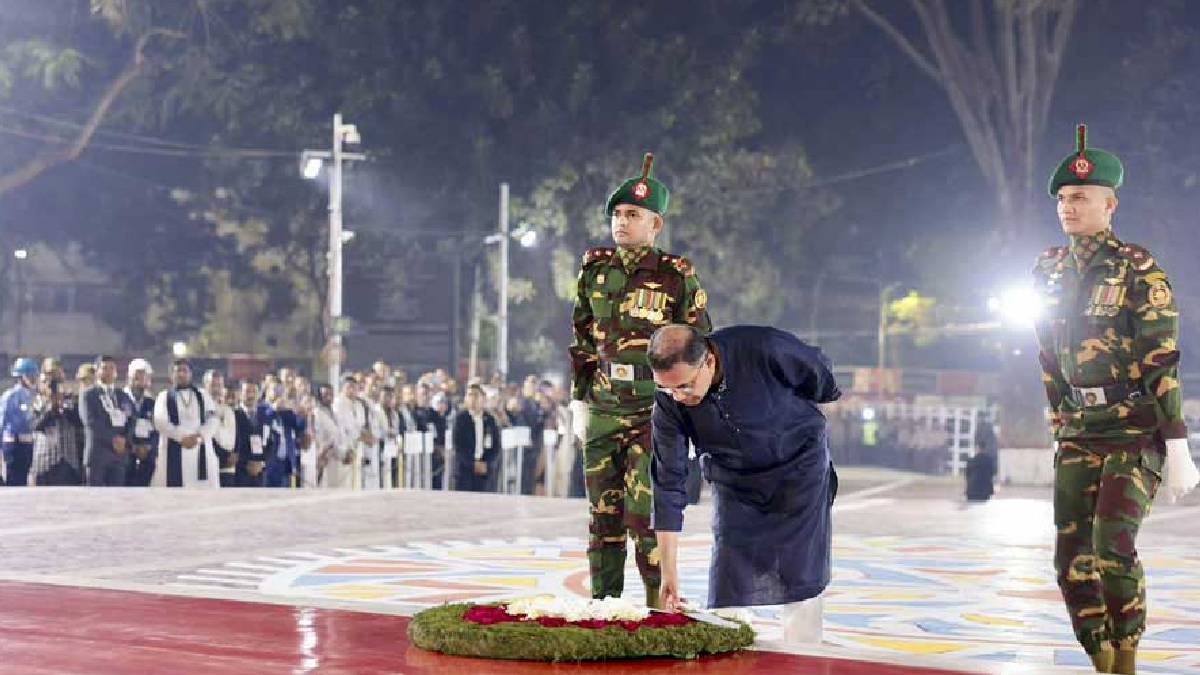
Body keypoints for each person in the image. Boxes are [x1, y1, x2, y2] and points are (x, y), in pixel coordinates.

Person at [1033, 124, 1200, 674]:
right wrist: (1059, 422)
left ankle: (1126, 659)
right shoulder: (1049, 270)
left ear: (1110, 205)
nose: (1068, 207)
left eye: (1080, 197)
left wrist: (1177, 445)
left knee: (1111, 546)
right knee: (1069, 559)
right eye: (1062, 198)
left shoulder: (1137, 268)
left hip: (1135, 428)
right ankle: (1099, 656)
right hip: (1080, 429)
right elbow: (1049, 356)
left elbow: (1160, 357)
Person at [568, 153, 712, 607]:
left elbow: (698, 344)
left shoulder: (675, 276)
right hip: (604, 407)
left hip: (655, 410)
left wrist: (692, 405)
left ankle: (657, 604)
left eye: (633, 214)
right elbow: (582, 338)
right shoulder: (594, 270)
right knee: (602, 516)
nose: (621, 222)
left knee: (645, 514)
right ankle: (603, 606)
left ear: (656, 225)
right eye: (617, 214)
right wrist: (579, 402)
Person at [647, 324, 839, 643]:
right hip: (734, 481)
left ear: (708, 361)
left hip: (798, 469)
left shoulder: (763, 348)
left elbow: (819, 374)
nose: (678, 396)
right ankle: (728, 655)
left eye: (685, 385)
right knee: (728, 571)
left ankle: (803, 653)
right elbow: (668, 483)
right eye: (668, 389)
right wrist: (668, 572)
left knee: (800, 571)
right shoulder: (669, 402)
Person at [152, 359, 220, 488]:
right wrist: (182, 437)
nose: (181, 374)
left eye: (185, 371)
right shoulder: (164, 396)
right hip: (174, 450)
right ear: (171, 375)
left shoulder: (203, 395)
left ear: (191, 374)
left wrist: (199, 437)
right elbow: (160, 421)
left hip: (201, 450)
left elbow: (213, 420)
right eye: (178, 371)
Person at [80, 356, 137, 487]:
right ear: (97, 371)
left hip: (118, 455)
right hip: (98, 454)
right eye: (104, 368)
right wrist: (113, 439)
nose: (109, 371)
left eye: (112, 368)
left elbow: (132, 419)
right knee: (95, 498)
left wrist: (125, 439)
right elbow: (90, 422)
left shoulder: (122, 396)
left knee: (117, 498)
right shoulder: (89, 395)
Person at [452, 384, 500, 492]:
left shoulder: (490, 420)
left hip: (484, 472)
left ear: (483, 398)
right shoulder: (460, 419)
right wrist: (473, 464)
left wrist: (487, 464)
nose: (473, 399)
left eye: (476, 395)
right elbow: (458, 446)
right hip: (465, 472)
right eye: (470, 395)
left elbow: (496, 446)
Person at [1, 358, 40, 486]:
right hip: (13, 445)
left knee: (23, 481)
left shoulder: (33, 396)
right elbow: (2, 422)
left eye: (35, 375)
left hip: (28, 444)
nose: (34, 379)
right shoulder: (10, 396)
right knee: (14, 481)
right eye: (30, 375)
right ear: (21, 377)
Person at [124, 358, 158, 486]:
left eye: (145, 378)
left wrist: (148, 447)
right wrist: (133, 447)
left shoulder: (152, 403)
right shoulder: (120, 399)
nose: (141, 381)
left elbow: (157, 429)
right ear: (130, 378)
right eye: (137, 377)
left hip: (147, 457)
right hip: (126, 456)